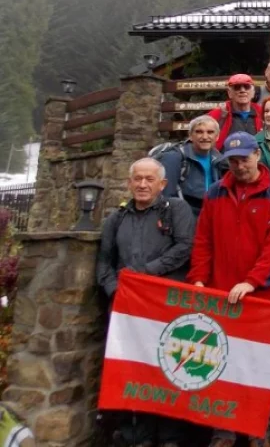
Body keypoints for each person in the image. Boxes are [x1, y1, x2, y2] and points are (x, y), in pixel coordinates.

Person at [187, 132, 270, 447]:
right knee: (220, 364)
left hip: (264, 298)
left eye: (244, 158)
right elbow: (203, 240)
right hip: (221, 297)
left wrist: (252, 282)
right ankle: (223, 432)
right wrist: (198, 279)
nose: (239, 166)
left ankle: (258, 430)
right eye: (233, 161)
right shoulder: (215, 193)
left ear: (257, 155)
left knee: (259, 367)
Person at [96, 158, 196, 447]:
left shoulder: (175, 209)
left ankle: (169, 436)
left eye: (149, 179)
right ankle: (133, 434)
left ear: (162, 184)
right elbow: (104, 261)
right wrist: (115, 289)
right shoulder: (118, 218)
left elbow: (185, 248)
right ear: (129, 182)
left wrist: (144, 274)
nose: (142, 184)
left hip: (165, 305)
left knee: (167, 369)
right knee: (130, 369)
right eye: (137, 178)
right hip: (127, 309)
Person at [155, 114, 225, 216]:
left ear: (217, 136)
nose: (205, 137)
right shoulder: (174, 157)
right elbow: (166, 194)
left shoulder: (220, 160)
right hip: (183, 215)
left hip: (211, 214)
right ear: (191, 136)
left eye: (210, 132)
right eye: (199, 132)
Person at [208, 73, 263, 150]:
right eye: (237, 87)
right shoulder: (217, 115)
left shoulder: (263, 113)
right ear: (229, 93)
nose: (242, 90)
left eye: (246, 87)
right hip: (226, 160)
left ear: (253, 92)